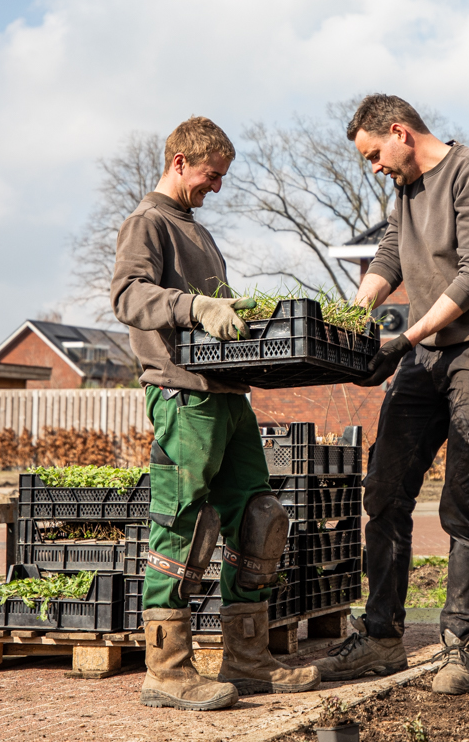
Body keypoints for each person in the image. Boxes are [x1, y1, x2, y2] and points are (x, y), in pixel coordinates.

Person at [311, 95, 469, 695]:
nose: (375, 167)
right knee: (383, 490)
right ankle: (382, 637)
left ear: (400, 132)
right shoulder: (406, 191)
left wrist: (404, 338)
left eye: (375, 154)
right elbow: (391, 254)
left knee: (461, 504)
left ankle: (460, 647)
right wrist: (355, 313)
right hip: (426, 356)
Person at [111, 115, 320, 710]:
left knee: (260, 518)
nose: (217, 186)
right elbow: (127, 295)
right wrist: (197, 306)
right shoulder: (147, 223)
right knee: (185, 521)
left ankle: (247, 659)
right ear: (179, 162)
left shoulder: (196, 230)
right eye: (211, 174)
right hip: (184, 394)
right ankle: (167, 670)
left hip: (228, 395)